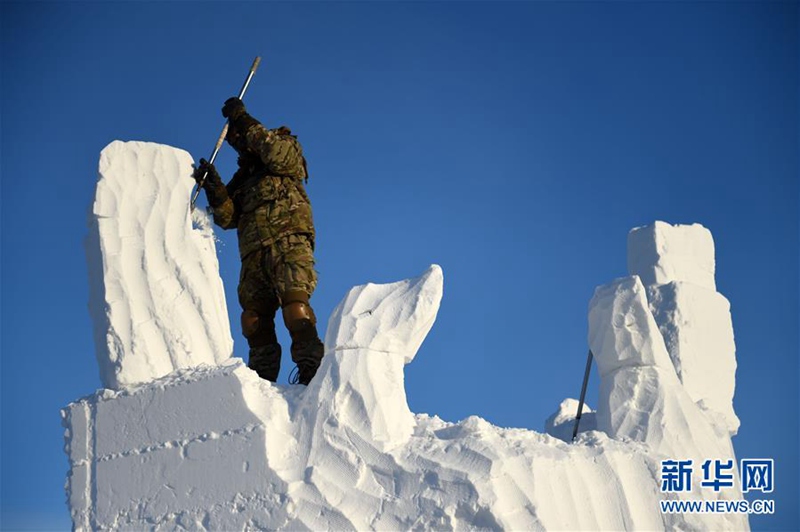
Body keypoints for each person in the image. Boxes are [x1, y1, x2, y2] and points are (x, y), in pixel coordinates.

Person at [193, 97, 324, 385]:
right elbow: (228, 217)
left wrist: (242, 118)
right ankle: (261, 385)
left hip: (288, 243)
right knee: (253, 321)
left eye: (242, 136)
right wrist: (215, 188)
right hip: (253, 254)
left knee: (296, 309)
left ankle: (311, 372)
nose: (240, 142)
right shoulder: (244, 178)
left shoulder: (285, 148)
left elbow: (273, 152)